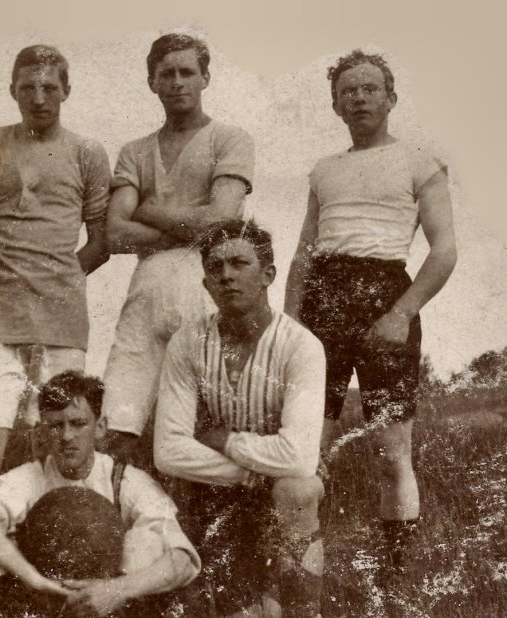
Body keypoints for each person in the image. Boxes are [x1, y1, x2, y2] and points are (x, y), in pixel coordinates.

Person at [284, 49, 457, 607]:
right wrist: (289, 320)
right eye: (347, 91)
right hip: (323, 304)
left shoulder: (419, 161)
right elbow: (305, 252)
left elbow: (445, 251)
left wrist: (401, 313)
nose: (358, 98)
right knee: (310, 449)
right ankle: (303, 578)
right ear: (335, 104)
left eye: (369, 88)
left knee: (390, 450)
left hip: (384, 295)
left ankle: (396, 583)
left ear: (390, 98)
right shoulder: (324, 169)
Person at [0, 45, 111, 502]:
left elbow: (100, 243)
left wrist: (60, 279)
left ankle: (51, 546)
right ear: (12, 91)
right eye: (28, 88)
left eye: (50, 87)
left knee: (62, 445)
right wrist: (3, 271)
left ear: (67, 90)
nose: (39, 97)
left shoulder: (88, 152)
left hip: (62, 319)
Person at [155, 220, 326, 617]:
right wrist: (247, 474)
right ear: (205, 283)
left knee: (297, 488)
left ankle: (304, 608)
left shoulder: (301, 345)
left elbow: (299, 458)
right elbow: (167, 449)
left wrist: (227, 441)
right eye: (215, 268)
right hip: (219, 483)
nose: (226, 275)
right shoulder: (188, 341)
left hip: (283, 488)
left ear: (268, 275)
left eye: (239, 263)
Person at [102, 33, 254, 464]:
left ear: (205, 77)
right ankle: (121, 523)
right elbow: (115, 233)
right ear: (152, 82)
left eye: (187, 72)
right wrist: (187, 225)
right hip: (146, 290)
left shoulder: (229, 139)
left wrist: (149, 209)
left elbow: (221, 221)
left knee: (206, 425)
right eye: (166, 73)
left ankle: (199, 530)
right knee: (119, 422)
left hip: (204, 285)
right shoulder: (134, 152)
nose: (177, 81)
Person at [0, 371, 200, 617]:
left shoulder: (126, 480)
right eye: (55, 425)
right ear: (42, 432)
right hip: (43, 598)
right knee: (4, 545)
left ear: (101, 427)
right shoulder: (28, 478)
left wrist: (115, 590)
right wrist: (35, 580)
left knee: (146, 541)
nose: (66, 436)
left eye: (78, 423)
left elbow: (182, 558)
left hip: (110, 602)